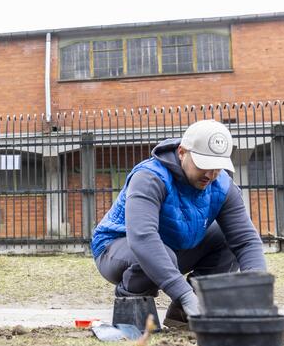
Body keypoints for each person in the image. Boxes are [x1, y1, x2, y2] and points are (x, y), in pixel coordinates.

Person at [91, 119, 266, 328]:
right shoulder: (149, 177)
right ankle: (132, 306)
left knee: (225, 238)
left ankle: (182, 317)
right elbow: (142, 238)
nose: (211, 175)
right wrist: (185, 293)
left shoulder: (223, 186)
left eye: (217, 167)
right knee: (159, 252)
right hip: (117, 249)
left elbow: (246, 240)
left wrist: (257, 290)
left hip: (172, 249)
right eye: (204, 165)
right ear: (182, 152)